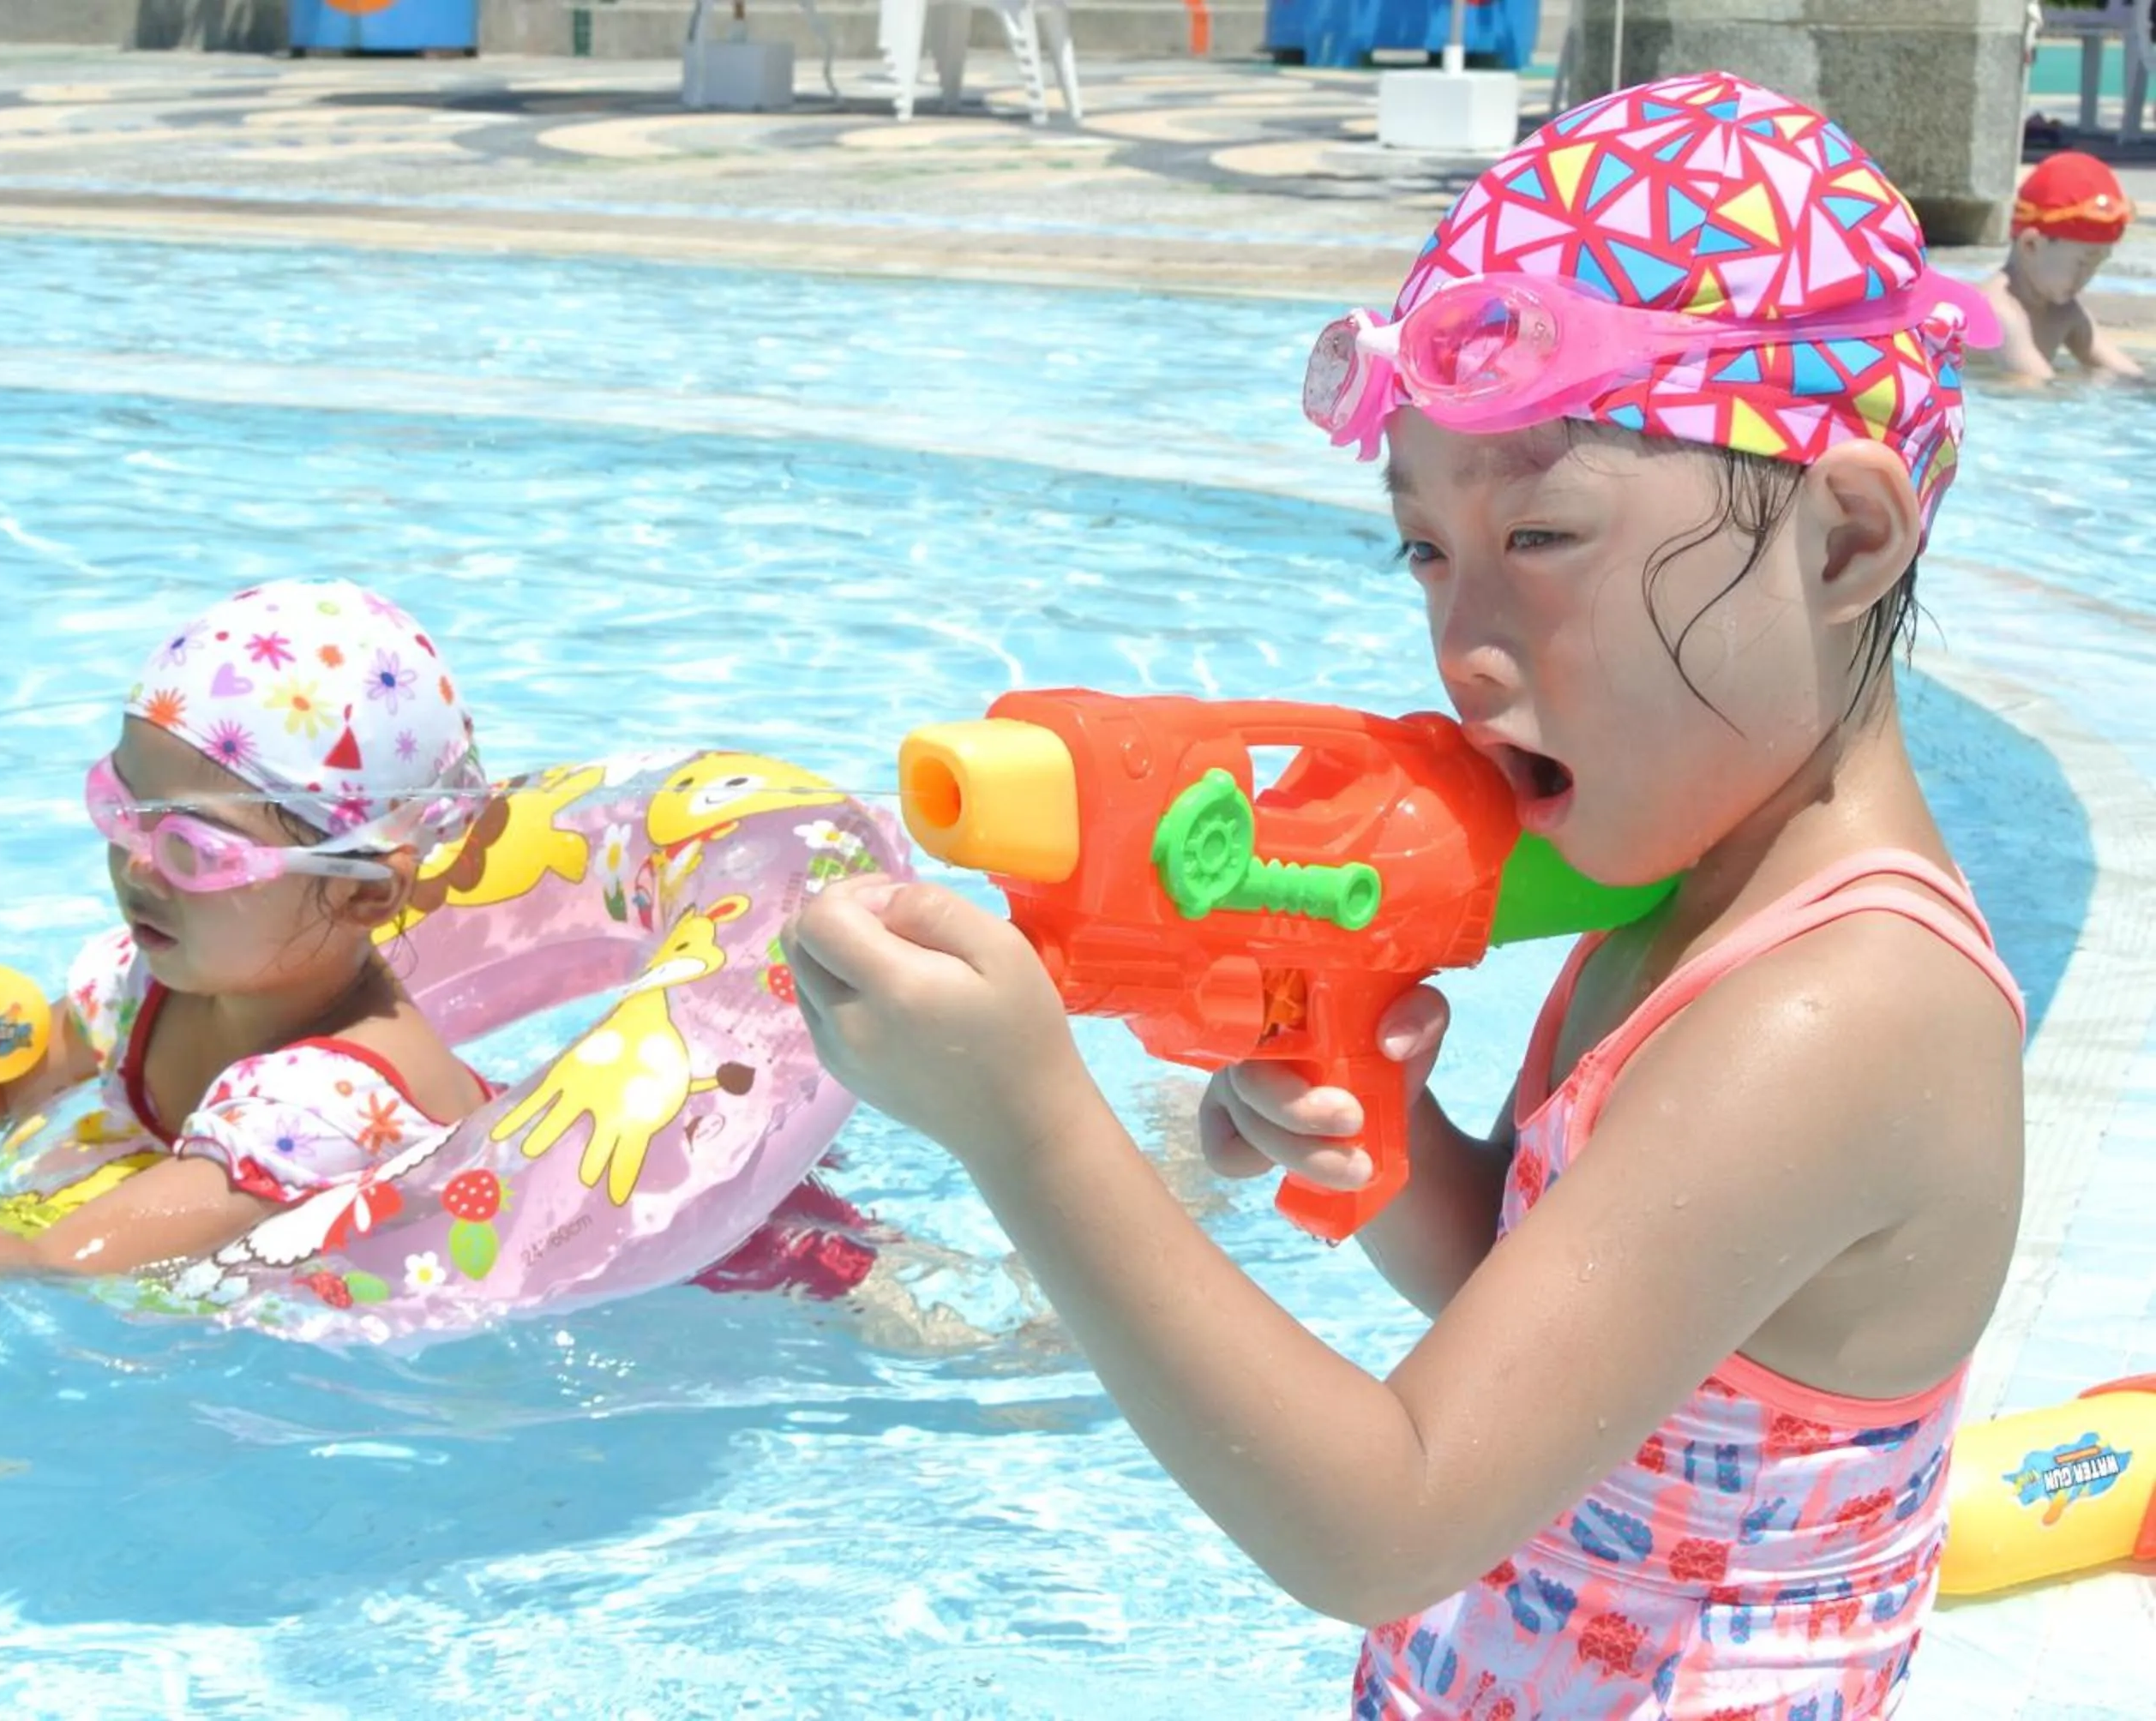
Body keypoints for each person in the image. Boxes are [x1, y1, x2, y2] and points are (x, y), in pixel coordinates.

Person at [784, 73, 2027, 1717]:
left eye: (1544, 534)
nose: (1463, 647)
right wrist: (1383, 1128)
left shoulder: (1841, 1011)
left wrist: (1025, 1126)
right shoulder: (1681, 895)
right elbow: (1544, 1316)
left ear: (1846, 540)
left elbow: (1392, 1522)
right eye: (1427, 550)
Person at [0, 579, 884, 1310]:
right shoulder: (161, 968)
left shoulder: (319, 1105)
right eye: (121, 810)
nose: (136, 866)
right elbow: (43, 1074)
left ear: (369, 895)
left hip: (732, 1268)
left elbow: (37, 1274)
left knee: (923, 1322)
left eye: (195, 849)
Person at [1980, 148, 2141, 382]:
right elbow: (2038, 387)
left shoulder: (2064, 313)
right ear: (2031, 245)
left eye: (2096, 265)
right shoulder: (1996, 312)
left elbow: (2129, 377)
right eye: (2082, 263)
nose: (2088, 277)